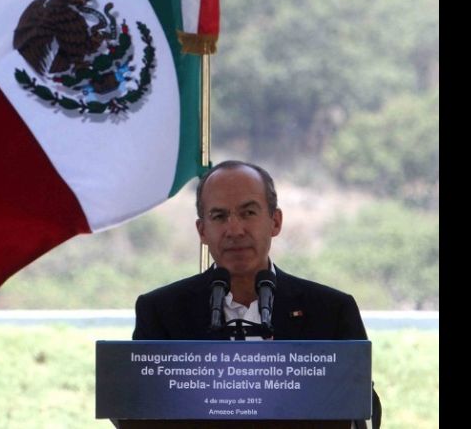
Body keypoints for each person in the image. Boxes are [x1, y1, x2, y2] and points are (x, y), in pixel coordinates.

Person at [132, 160, 381, 429]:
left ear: (275, 221)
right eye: (219, 216)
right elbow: (137, 406)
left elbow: (363, 408)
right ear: (202, 231)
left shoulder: (331, 310)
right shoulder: (161, 311)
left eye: (248, 213)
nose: (235, 230)